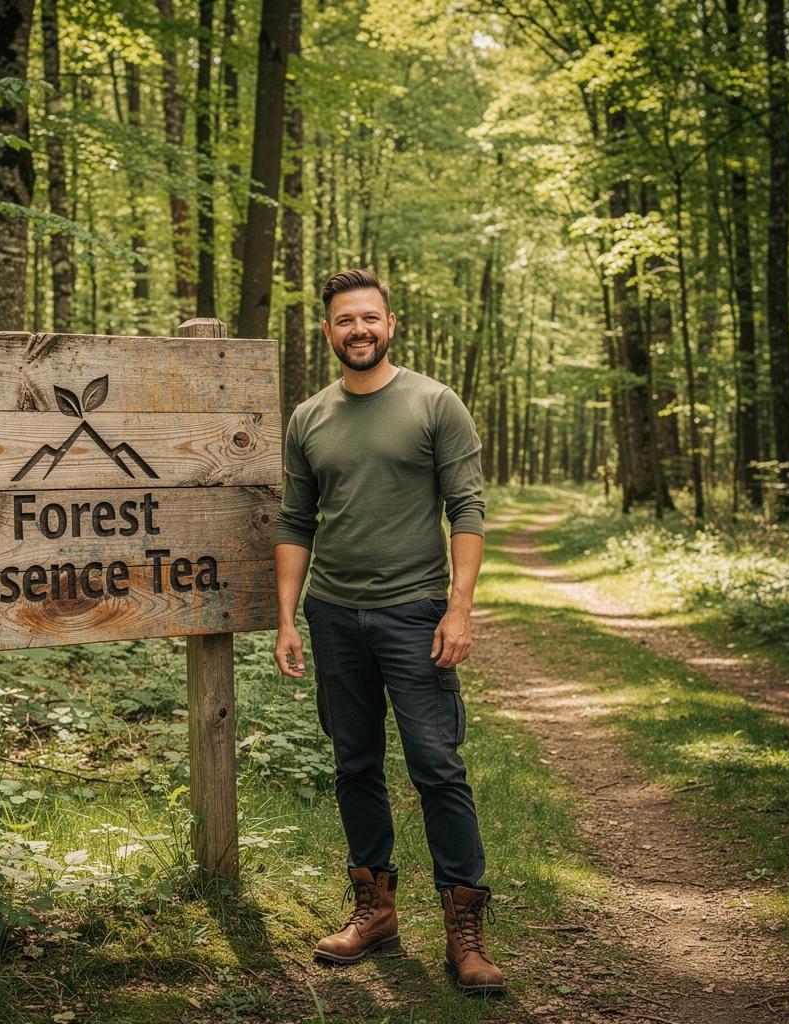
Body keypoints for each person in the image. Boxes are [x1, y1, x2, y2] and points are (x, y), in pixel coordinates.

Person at [272, 269, 505, 994]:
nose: (358, 330)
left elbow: (467, 508)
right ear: (328, 332)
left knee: (438, 766)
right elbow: (296, 521)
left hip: (414, 615)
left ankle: (464, 931)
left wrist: (458, 607)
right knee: (355, 764)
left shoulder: (435, 404)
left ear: (390, 323)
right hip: (334, 615)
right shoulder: (309, 418)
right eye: (345, 321)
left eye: (369, 318)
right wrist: (287, 615)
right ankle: (374, 911)